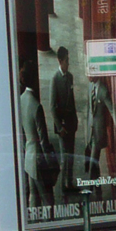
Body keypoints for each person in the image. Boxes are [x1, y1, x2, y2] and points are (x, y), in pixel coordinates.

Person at [18, 62, 52, 211]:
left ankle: (32, 220)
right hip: (37, 155)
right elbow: (43, 138)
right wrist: (49, 160)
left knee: (33, 193)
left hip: (28, 154)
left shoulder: (21, 100)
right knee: (45, 197)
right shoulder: (36, 105)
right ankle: (47, 223)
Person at [50, 45, 78, 198]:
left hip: (71, 124)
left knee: (71, 156)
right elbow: (52, 107)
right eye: (66, 60)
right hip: (62, 127)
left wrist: (75, 119)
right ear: (60, 61)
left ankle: (70, 182)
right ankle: (63, 186)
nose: (68, 63)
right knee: (64, 157)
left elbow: (72, 101)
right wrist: (59, 127)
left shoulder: (70, 77)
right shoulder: (55, 80)